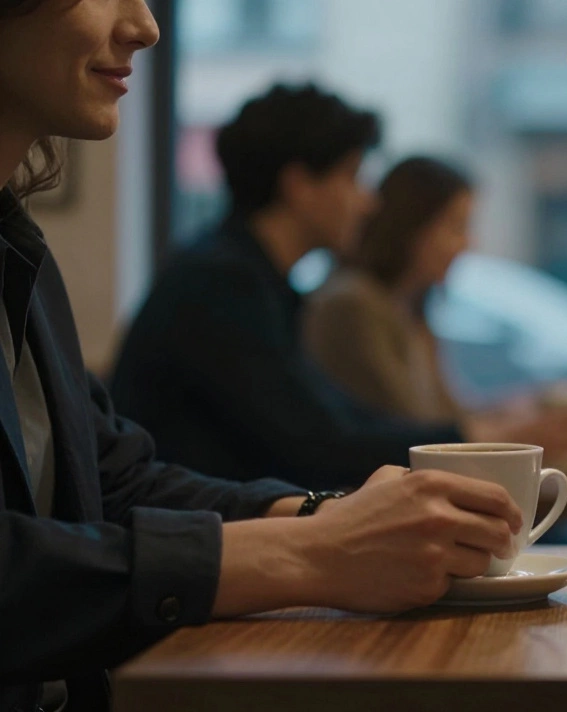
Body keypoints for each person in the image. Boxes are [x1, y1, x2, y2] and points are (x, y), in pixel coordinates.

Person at [0, 2, 523, 712]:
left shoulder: (22, 249)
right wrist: (316, 548)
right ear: (301, 182)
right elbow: (315, 434)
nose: (147, 26)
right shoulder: (221, 282)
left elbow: (116, 480)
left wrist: (324, 518)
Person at [110, 84, 465, 489]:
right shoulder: (220, 284)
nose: (369, 202)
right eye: (351, 176)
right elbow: (321, 446)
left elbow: (339, 417)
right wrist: (465, 443)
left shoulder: (256, 279)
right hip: (196, 536)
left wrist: (463, 440)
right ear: (299, 184)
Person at [301, 156, 567, 456]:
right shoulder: (353, 304)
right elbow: (411, 429)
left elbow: (448, 416)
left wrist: (518, 408)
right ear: (411, 226)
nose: (468, 244)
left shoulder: (411, 307)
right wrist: (512, 430)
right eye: (455, 227)